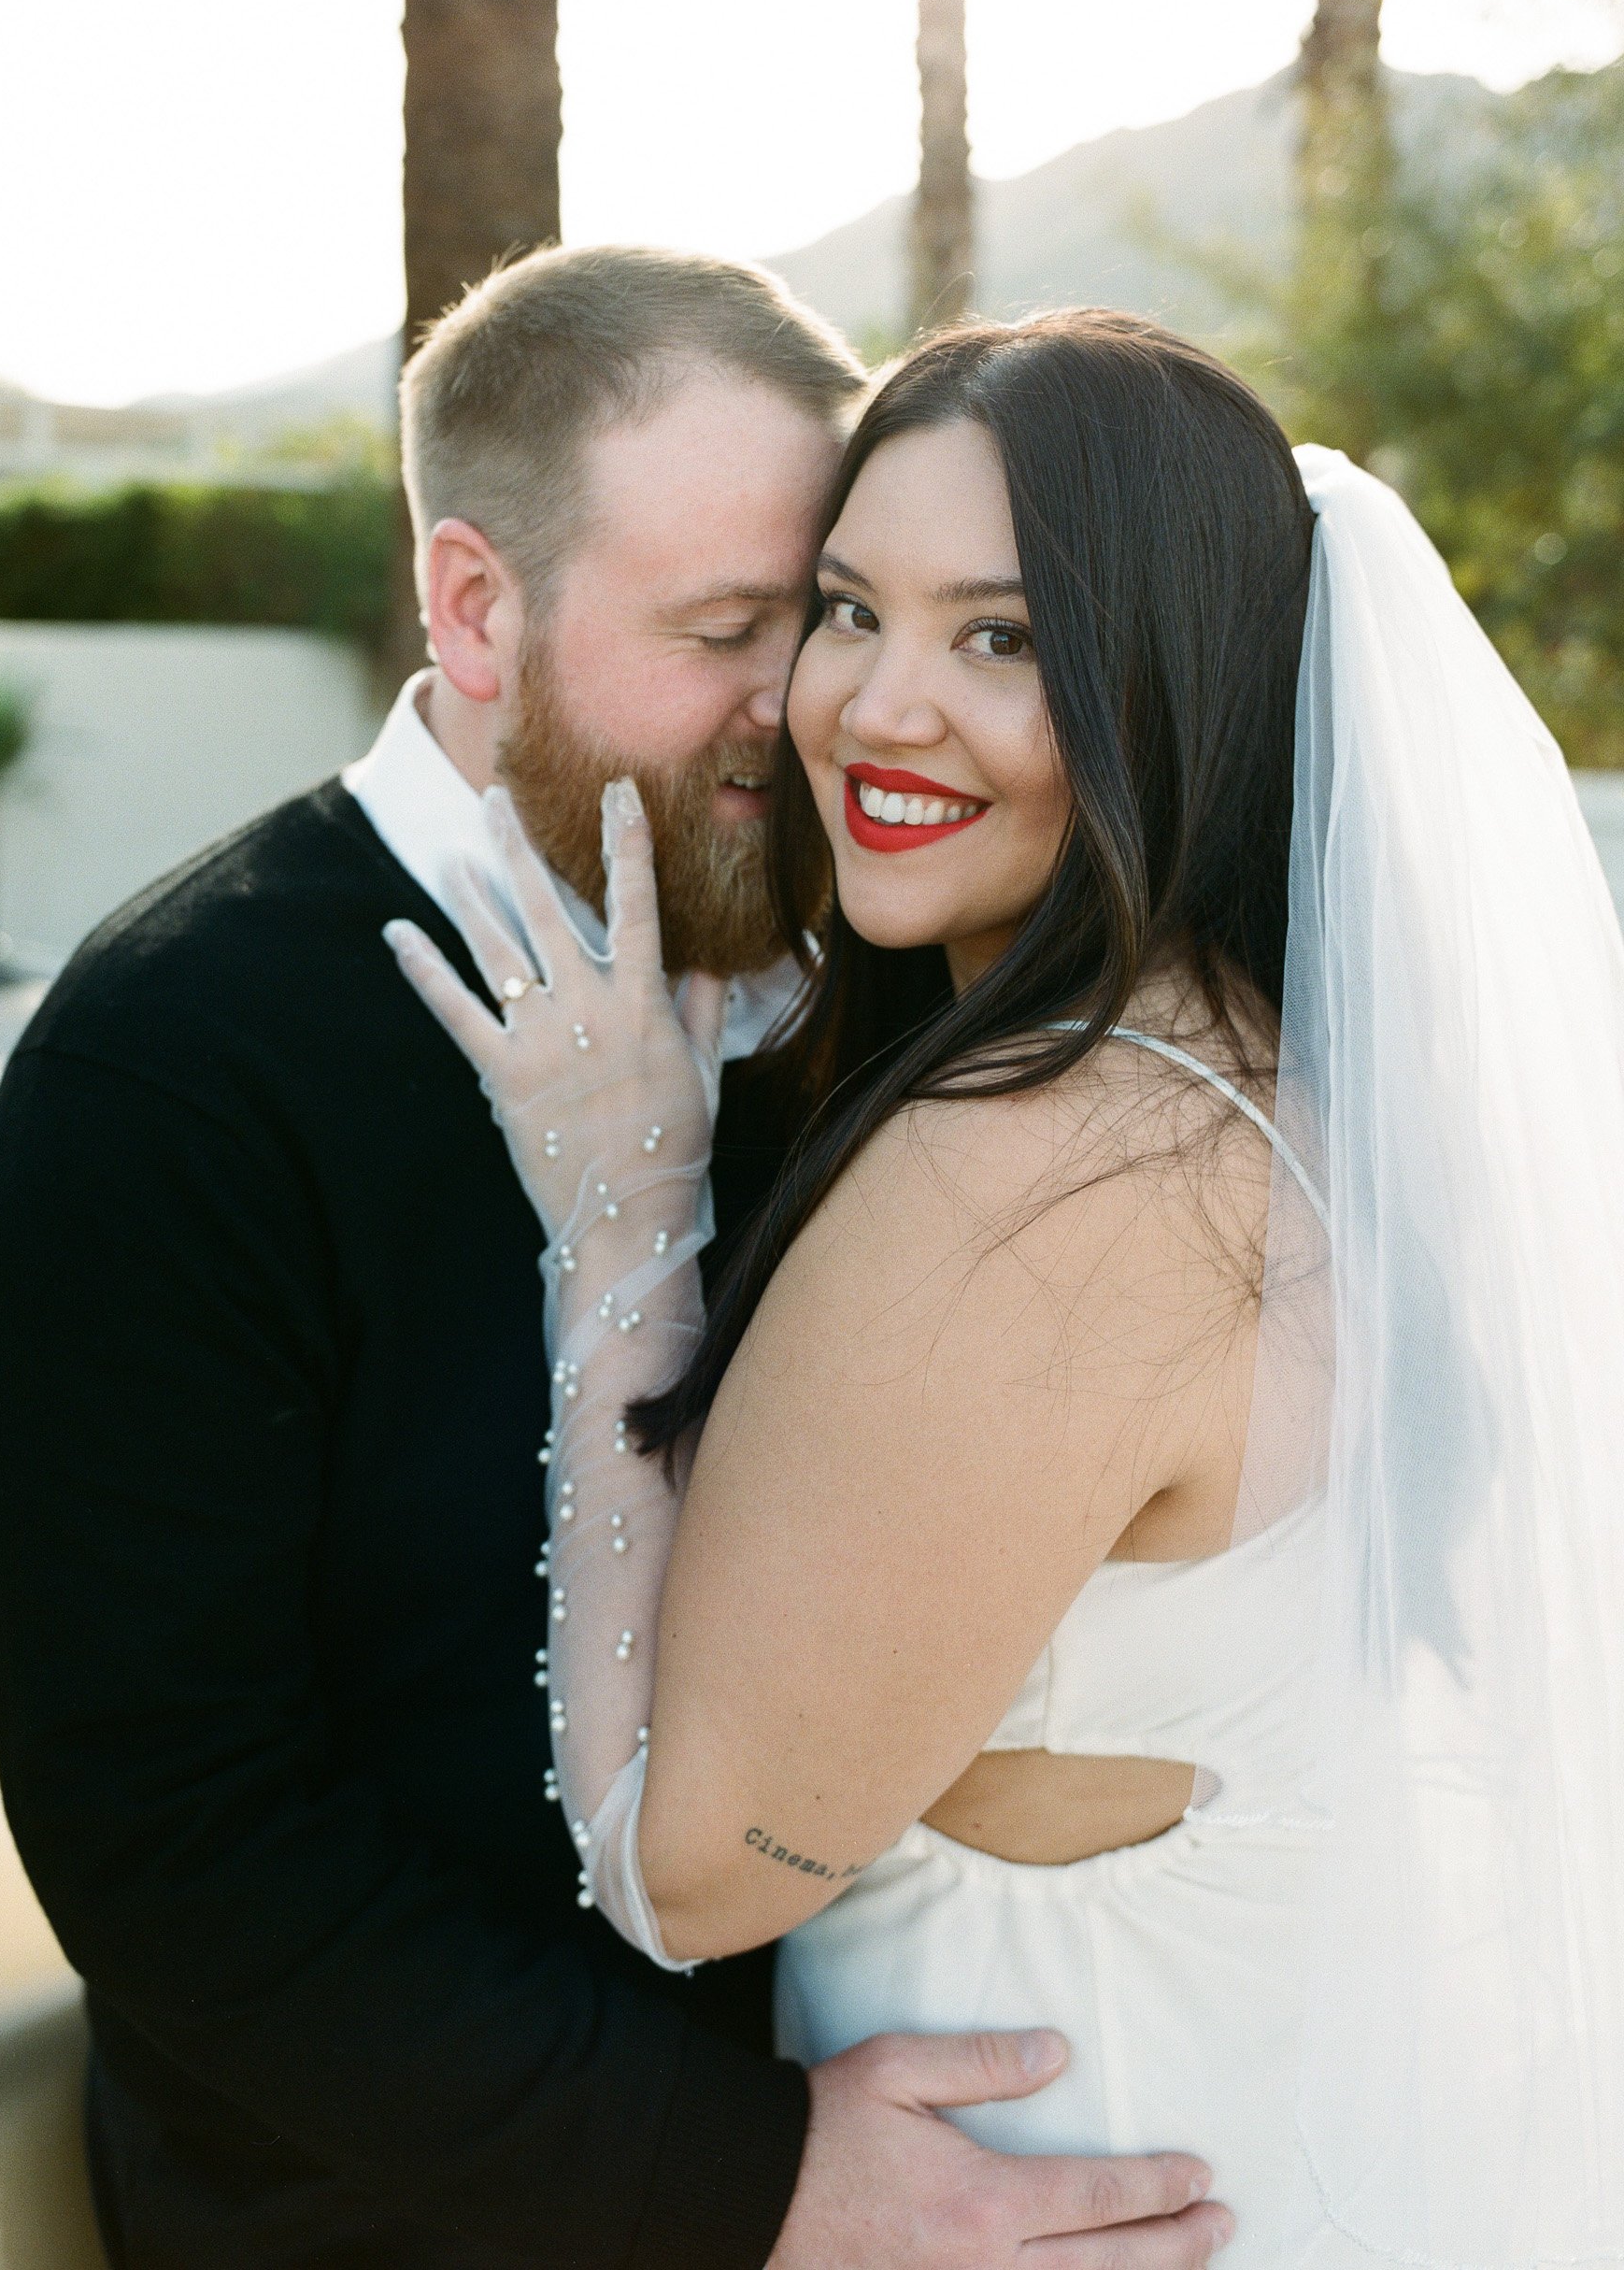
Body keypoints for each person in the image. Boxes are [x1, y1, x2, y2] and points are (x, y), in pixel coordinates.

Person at [0, 251, 1232, 2270]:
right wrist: (743, 2175)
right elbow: (180, 1848)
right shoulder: (171, 1071)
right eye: (731, 630)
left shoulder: (864, 977)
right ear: (474, 609)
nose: (810, 704)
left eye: (816, 617)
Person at [392, 308, 1624, 2263]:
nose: (874, 707)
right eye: (846, 609)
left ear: (1165, 684)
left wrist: (623, 1224)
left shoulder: (1046, 1171)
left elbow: (685, 1870)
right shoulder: (1250, 1083)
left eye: (1001, 638)